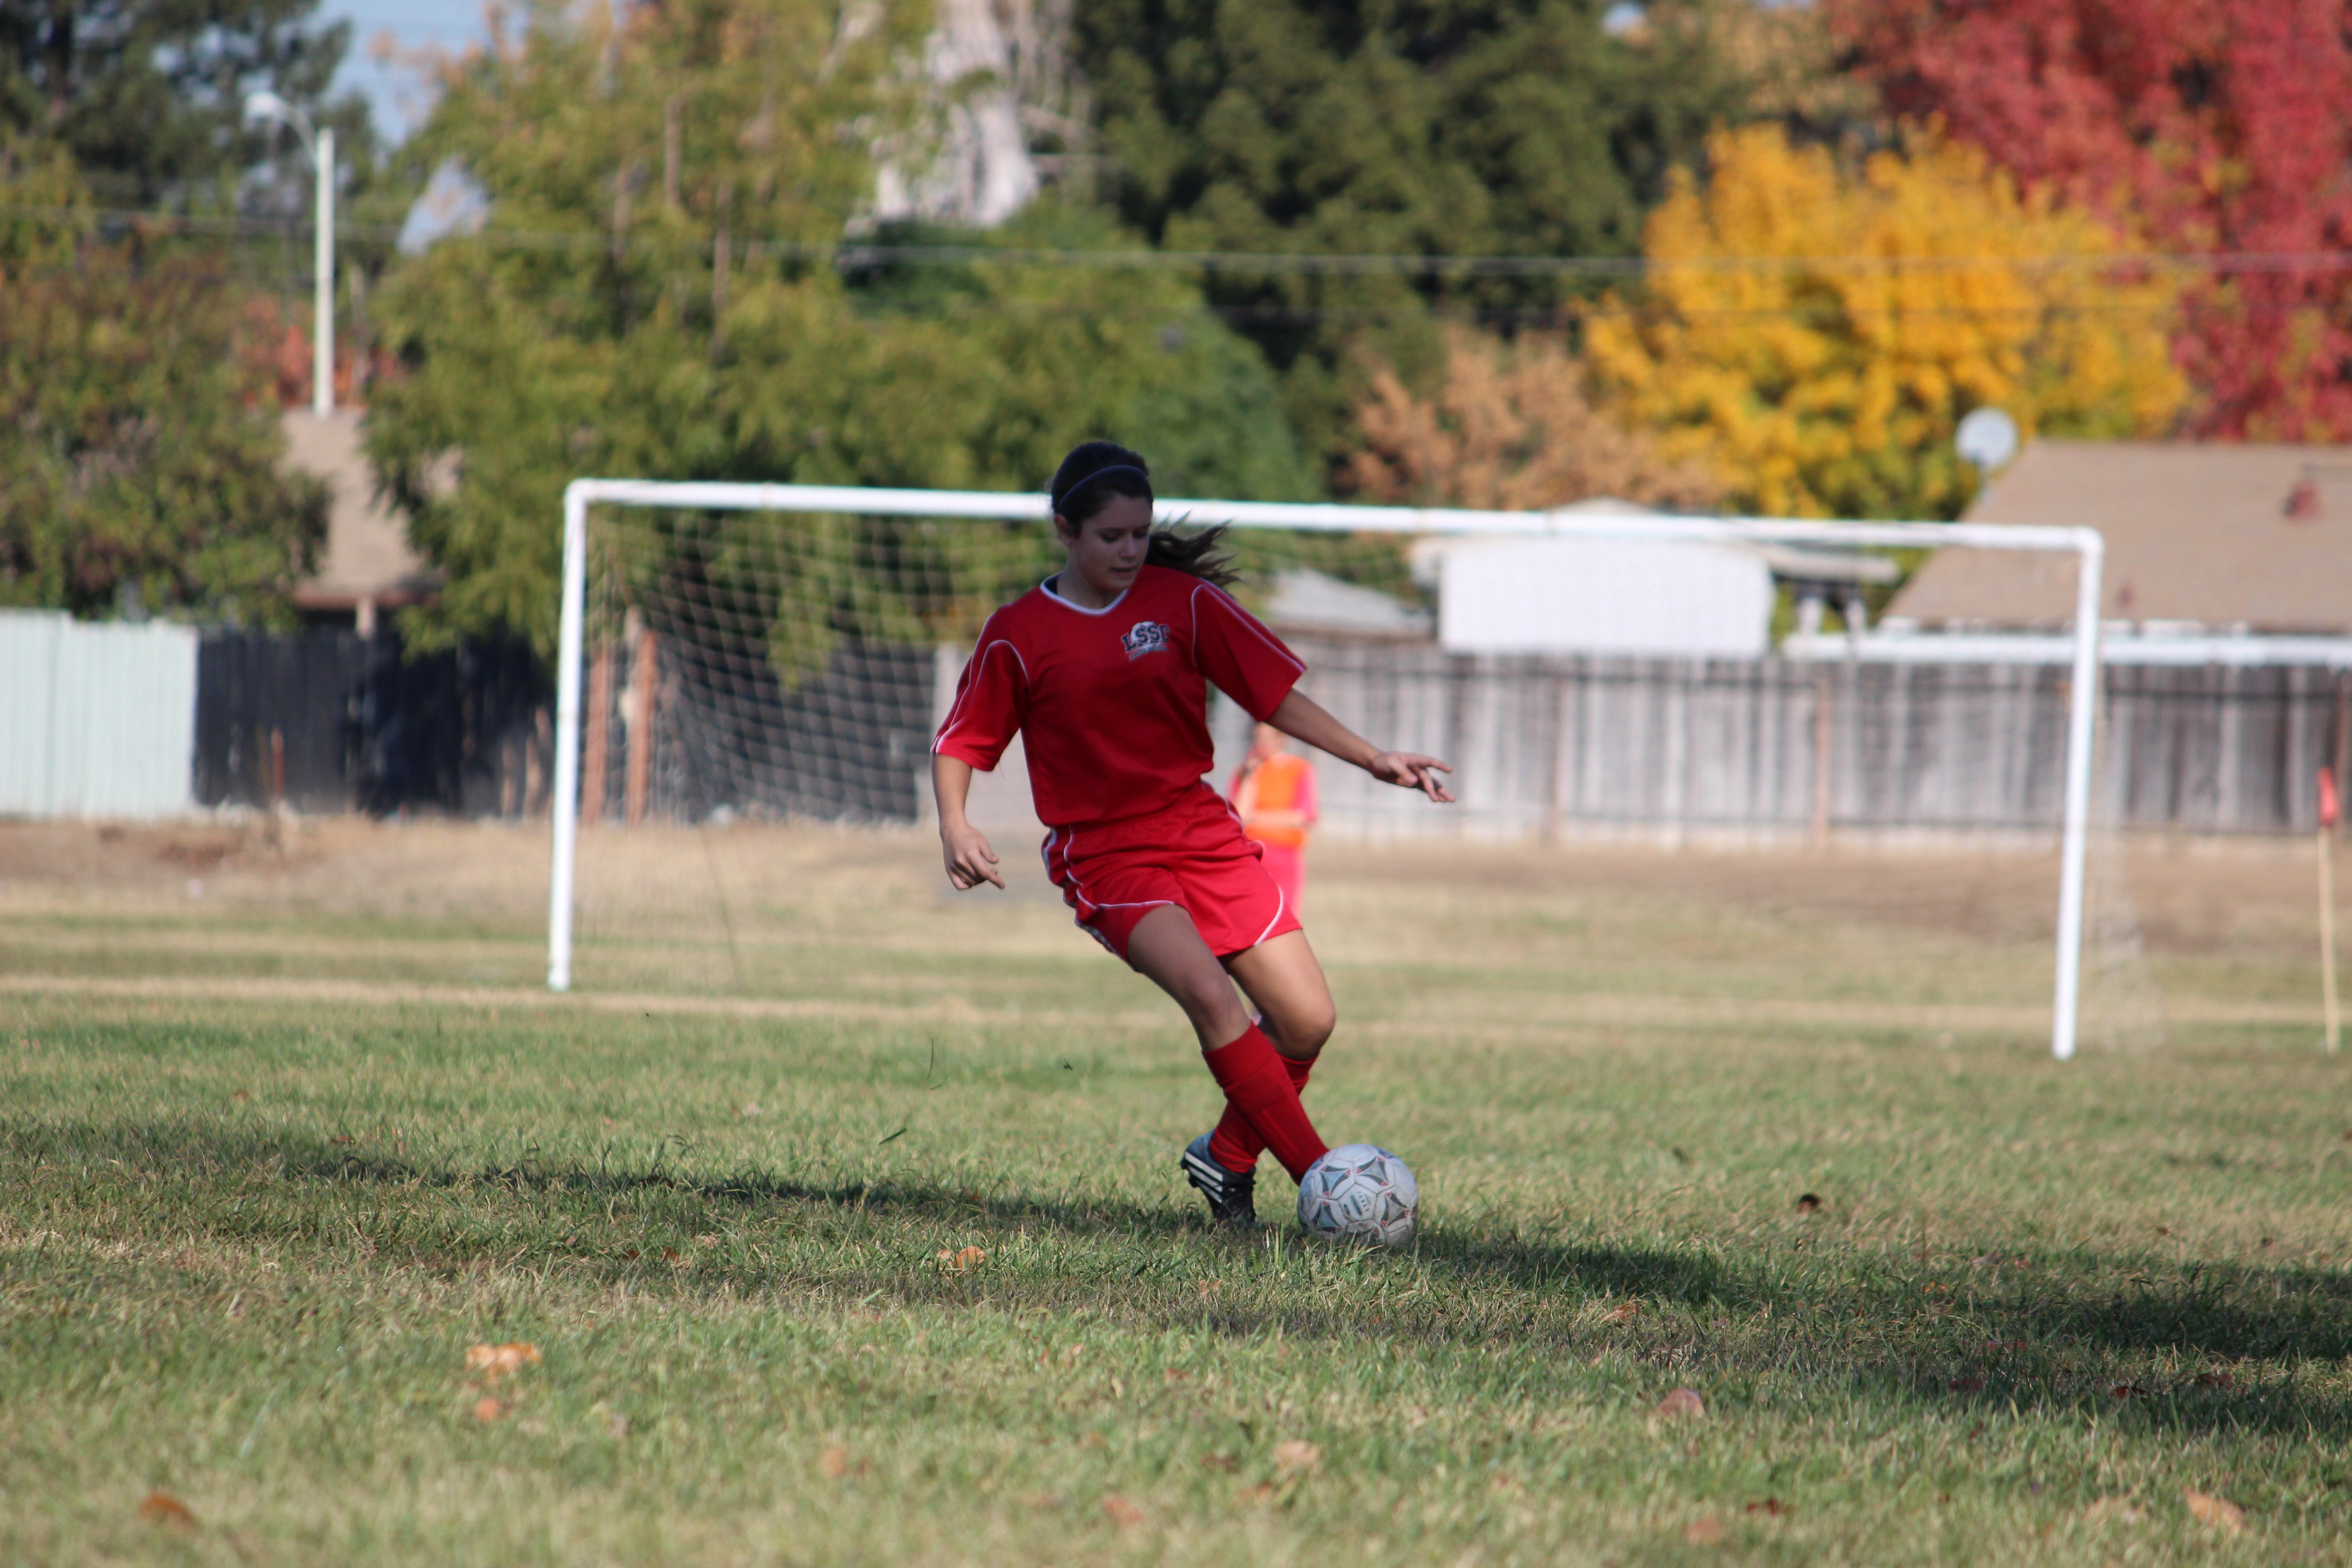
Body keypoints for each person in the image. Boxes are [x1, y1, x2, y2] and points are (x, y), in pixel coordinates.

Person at [931, 441, 1454, 1227]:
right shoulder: (1018, 632)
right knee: (1212, 997)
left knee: (1308, 1019)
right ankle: (1327, 1188)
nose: (1130, 551)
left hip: (1200, 831)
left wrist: (1372, 757)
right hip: (1105, 852)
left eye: (1140, 534)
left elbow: (1271, 694)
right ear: (1065, 530)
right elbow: (962, 742)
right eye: (1111, 536)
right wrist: (955, 823)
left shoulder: (1184, 603)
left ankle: (1227, 1156)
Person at [1230, 723, 1318, 913]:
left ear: (1281, 739)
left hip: (1285, 855)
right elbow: (1239, 816)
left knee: (1285, 915)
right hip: (1251, 854)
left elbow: (1301, 818)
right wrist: (1250, 776)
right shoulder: (1245, 772)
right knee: (1249, 914)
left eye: (1268, 738)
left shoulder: (1299, 769)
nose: (1262, 743)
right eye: (1258, 738)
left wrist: (1255, 817)